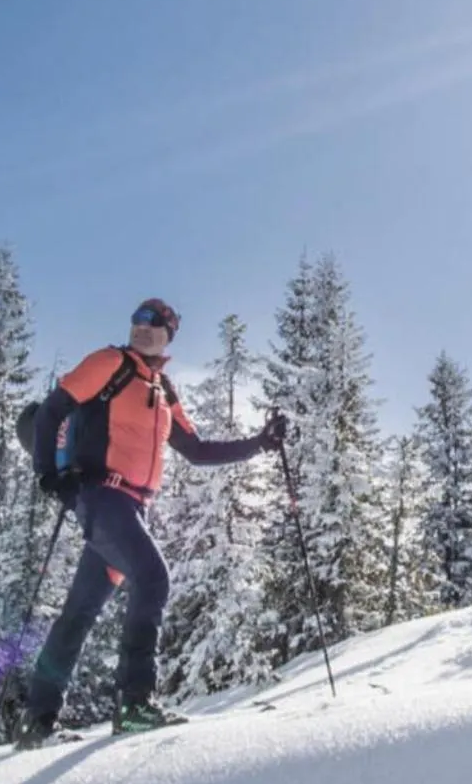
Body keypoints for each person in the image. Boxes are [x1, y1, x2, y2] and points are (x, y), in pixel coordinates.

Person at [17, 297, 286, 745]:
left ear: (169, 333)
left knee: (78, 613)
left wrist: (260, 443)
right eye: (138, 320)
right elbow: (51, 410)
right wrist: (50, 475)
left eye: (155, 322)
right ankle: (135, 702)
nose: (143, 327)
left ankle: (36, 720)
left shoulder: (163, 392)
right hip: (103, 496)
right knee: (153, 578)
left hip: (132, 507)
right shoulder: (111, 363)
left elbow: (197, 451)